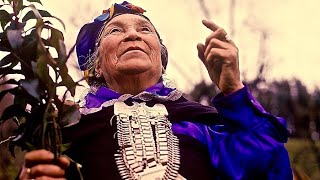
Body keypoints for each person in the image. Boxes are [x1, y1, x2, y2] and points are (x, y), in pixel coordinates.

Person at [18, 1, 293, 179]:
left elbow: (269, 168)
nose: (133, 35)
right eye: (115, 31)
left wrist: (233, 90)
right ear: (96, 66)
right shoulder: (68, 131)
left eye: (144, 29)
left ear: (161, 61)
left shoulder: (200, 124)